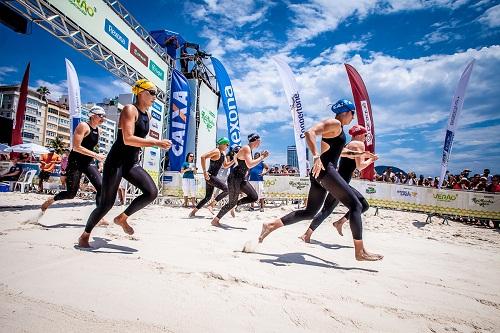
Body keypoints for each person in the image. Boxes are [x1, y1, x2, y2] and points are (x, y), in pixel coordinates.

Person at [258, 99, 383, 261]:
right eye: (352, 114)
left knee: (310, 212)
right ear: (346, 112)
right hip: (326, 171)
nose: (353, 118)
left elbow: (340, 152)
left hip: (320, 173)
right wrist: (316, 156)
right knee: (356, 205)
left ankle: (271, 225)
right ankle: (360, 252)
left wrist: (361, 155)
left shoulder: (337, 129)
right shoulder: (335, 123)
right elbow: (310, 132)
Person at [78, 79, 172, 248]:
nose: (154, 97)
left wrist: (158, 142)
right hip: (116, 162)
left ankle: (122, 218)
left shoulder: (147, 115)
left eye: (156, 94)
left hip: (131, 163)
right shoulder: (130, 110)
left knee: (151, 192)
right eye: (152, 93)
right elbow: (128, 139)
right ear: (140, 92)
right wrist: (157, 143)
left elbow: (141, 139)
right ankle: (85, 234)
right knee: (106, 204)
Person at [300, 125, 378, 243]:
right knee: (332, 209)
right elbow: (360, 166)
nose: (365, 138)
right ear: (360, 134)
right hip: (341, 182)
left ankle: (338, 222)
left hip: (339, 180)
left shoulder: (347, 145)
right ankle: (308, 234)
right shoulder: (358, 145)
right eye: (365, 135)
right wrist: (372, 159)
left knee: (357, 206)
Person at [40, 107, 107, 214]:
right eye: (101, 115)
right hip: (75, 162)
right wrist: (96, 155)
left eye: (104, 116)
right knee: (71, 194)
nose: (103, 118)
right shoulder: (83, 126)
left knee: (102, 188)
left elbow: (93, 148)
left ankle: (98, 216)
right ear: (92, 115)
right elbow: (76, 147)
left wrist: (100, 161)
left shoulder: (99, 130)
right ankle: (51, 200)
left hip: (88, 162)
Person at [210, 133, 270, 227]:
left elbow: (238, 159)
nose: (260, 143)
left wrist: (244, 170)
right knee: (231, 203)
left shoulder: (249, 150)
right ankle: (215, 220)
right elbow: (250, 164)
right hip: (234, 178)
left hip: (241, 178)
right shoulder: (246, 148)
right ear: (256, 140)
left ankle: (234, 205)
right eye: (260, 141)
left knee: (254, 197)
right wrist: (262, 157)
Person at [189, 137, 234, 217]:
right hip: (210, 176)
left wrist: (234, 160)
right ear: (223, 144)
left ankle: (193, 212)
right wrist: (204, 172)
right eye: (227, 145)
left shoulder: (222, 153)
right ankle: (211, 205)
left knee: (208, 197)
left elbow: (225, 165)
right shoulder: (216, 151)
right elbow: (203, 157)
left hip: (212, 177)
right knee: (226, 189)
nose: (227, 146)